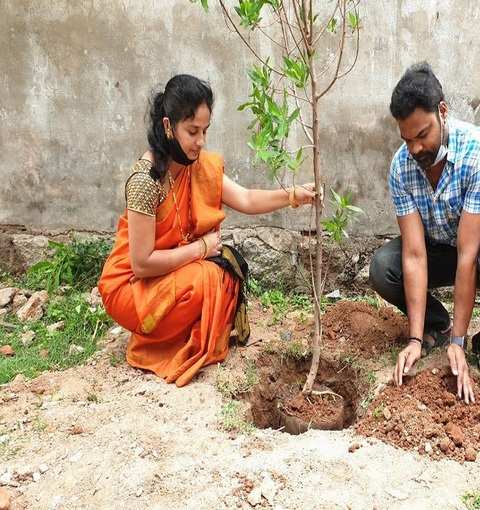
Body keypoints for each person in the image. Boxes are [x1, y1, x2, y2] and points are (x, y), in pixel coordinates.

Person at [99, 74, 317, 387]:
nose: (200, 141)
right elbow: (141, 264)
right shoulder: (145, 181)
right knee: (205, 277)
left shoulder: (196, 165)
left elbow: (245, 198)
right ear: (167, 126)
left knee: (226, 272)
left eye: (205, 131)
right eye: (192, 131)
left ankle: (182, 338)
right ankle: (154, 347)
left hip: (168, 275)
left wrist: (293, 194)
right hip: (131, 287)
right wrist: (201, 249)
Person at [369, 63, 480, 403]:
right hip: (433, 248)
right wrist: (412, 339)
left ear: (442, 112)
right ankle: (435, 326)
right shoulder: (401, 166)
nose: (415, 149)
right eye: (407, 139)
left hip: (478, 244)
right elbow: (413, 254)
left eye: (422, 135)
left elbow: (468, 254)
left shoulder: (478, 150)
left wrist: (460, 344)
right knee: (383, 267)